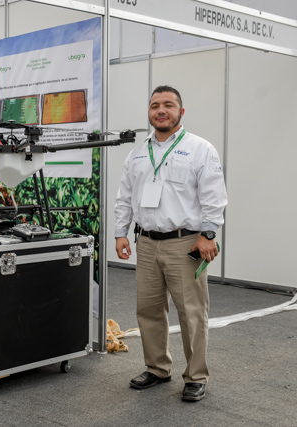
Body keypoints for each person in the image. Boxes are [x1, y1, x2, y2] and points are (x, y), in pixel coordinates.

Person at [114, 85, 227, 402]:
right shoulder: (138, 153)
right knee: (148, 310)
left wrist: (208, 234)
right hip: (147, 243)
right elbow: (124, 196)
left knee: (192, 313)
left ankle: (196, 376)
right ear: (149, 112)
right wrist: (121, 233)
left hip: (186, 243)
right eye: (155, 106)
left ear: (181, 111)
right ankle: (157, 368)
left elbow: (214, 196)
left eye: (168, 105)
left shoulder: (200, 149)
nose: (161, 110)